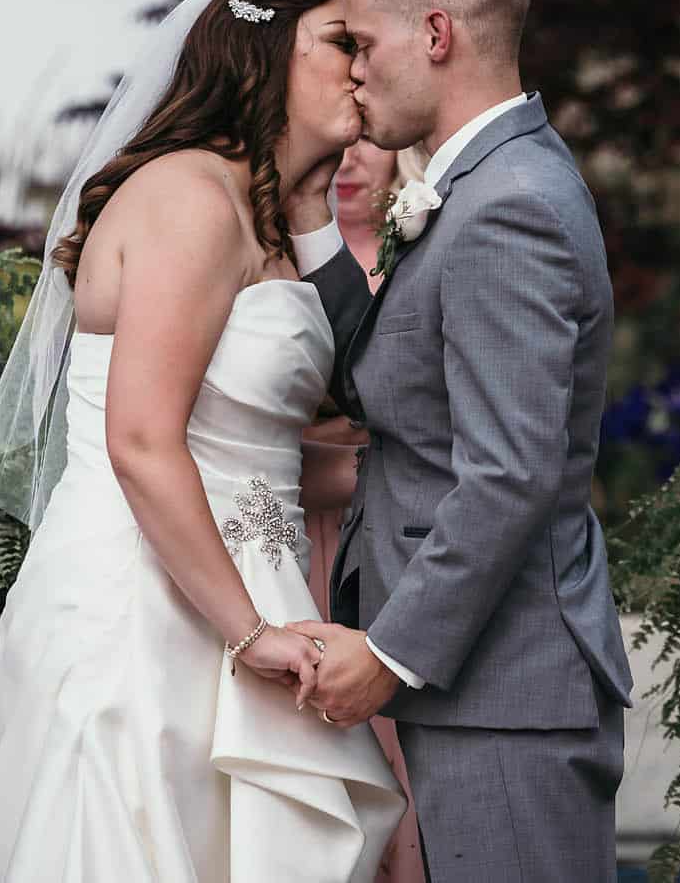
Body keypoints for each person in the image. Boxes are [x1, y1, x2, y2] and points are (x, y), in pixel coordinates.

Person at [0, 0, 404, 882]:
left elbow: (271, 447)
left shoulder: (266, 216)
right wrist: (249, 632)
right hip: (146, 608)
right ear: (265, 53)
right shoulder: (190, 199)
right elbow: (142, 440)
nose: (363, 67)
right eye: (340, 42)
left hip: (238, 587)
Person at [283, 0, 633, 882]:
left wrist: (389, 652)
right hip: (488, 689)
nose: (351, 70)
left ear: (434, 34)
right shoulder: (479, 183)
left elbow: (509, 471)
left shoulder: (504, 203)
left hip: (507, 693)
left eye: (362, 42)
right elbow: (383, 378)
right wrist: (312, 216)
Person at [300, 139, 428, 883]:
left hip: (378, 547)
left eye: (365, 146)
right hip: (284, 533)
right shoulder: (275, 250)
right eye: (333, 148)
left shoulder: (414, 253)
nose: (347, 162)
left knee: (384, 755)